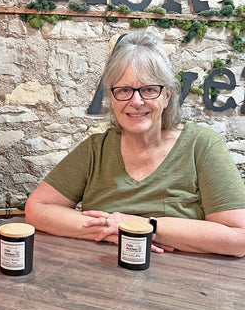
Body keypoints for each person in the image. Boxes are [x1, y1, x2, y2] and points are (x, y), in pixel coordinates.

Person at [26, 31, 245, 257]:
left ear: (167, 96)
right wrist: (113, 229)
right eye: (124, 90)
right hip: (100, 274)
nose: (136, 101)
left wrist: (143, 227)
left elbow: (239, 238)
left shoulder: (202, 146)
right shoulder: (95, 150)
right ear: (112, 97)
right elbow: (37, 209)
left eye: (149, 89)